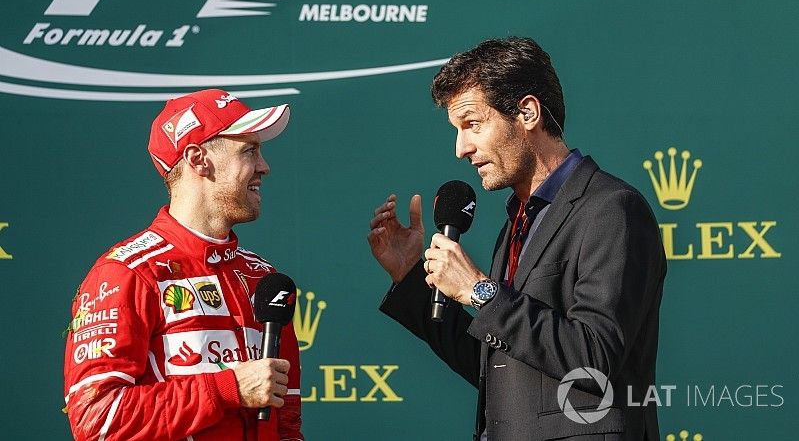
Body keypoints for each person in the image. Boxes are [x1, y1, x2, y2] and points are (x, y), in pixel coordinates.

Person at [368, 37, 666, 440]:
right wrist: (411, 279)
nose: (461, 148)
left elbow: (594, 356)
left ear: (527, 112)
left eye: (472, 124)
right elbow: (507, 370)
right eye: (457, 129)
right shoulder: (518, 220)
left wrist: (480, 292)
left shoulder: (611, 208)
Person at [63, 89, 303, 441]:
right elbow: (97, 419)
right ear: (198, 159)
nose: (265, 166)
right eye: (249, 150)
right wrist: (227, 387)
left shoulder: (263, 279)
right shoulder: (127, 273)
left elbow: (286, 424)